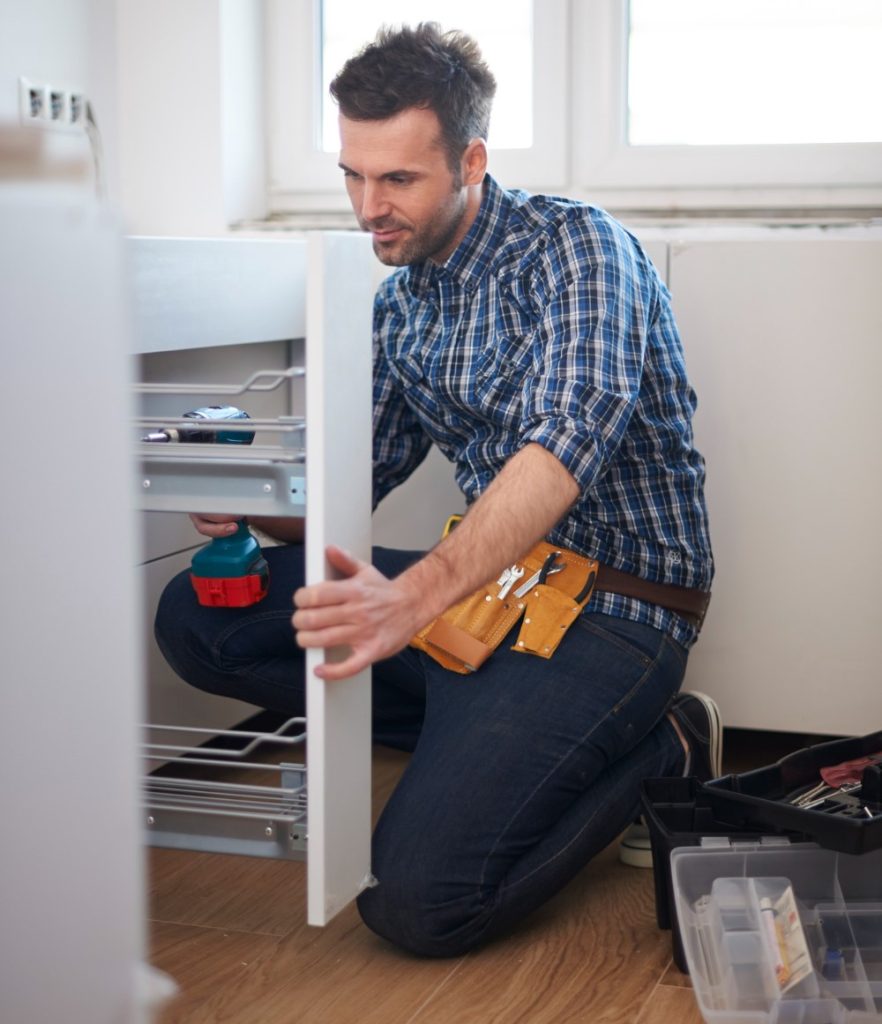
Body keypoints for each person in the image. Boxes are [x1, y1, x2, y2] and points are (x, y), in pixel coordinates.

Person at [155, 23, 718, 958]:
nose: (368, 207)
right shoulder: (403, 300)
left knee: (417, 905)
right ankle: (486, 736)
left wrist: (408, 599)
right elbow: (354, 474)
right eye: (352, 175)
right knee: (202, 615)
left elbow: (557, 456)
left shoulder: (580, 251)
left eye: (399, 181)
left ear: (471, 160)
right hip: (489, 599)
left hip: (619, 609)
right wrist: (242, 493)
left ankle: (669, 747)